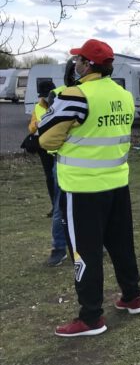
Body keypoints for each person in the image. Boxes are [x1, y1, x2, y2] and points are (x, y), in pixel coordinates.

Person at [38, 38, 140, 337]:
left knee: (85, 252)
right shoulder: (124, 95)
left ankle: (90, 317)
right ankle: (132, 296)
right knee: (122, 243)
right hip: (117, 183)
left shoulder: (74, 95)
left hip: (82, 189)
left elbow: (46, 139)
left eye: (79, 60)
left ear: (87, 64)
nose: (76, 65)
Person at [42, 58, 78, 267]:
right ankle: (59, 247)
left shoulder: (90, 93)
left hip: (86, 163)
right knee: (60, 206)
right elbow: (50, 130)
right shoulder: (59, 94)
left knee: (85, 207)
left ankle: (93, 245)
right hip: (63, 161)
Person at [29, 80, 57, 218]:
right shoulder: (38, 107)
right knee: (50, 177)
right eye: (43, 95)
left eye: (47, 94)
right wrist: (37, 124)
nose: (45, 97)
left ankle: (62, 205)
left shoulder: (61, 103)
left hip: (59, 146)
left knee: (60, 177)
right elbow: (31, 127)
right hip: (43, 147)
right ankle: (55, 206)